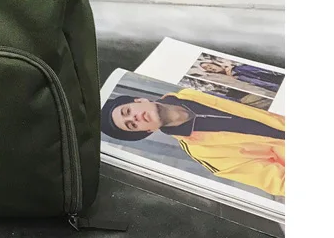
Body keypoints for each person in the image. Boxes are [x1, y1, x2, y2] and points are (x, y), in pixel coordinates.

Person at [101, 87, 285, 196]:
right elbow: (279, 182)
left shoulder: (192, 90)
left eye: (127, 111)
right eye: (132, 125)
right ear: (147, 131)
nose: (134, 117)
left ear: (140, 100)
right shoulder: (204, 153)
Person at [199, 60, 283, 94]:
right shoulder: (217, 77)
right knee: (264, 84)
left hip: (241, 70)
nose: (210, 68)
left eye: (209, 65)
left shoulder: (235, 66)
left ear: (214, 63)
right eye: (206, 68)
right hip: (241, 78)